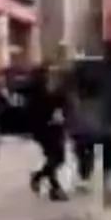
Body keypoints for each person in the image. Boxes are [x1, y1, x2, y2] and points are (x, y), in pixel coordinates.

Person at [28, 61, 71, 201]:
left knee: (57, 158)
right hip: (45, 127)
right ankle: (54, 188)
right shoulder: (38, 90)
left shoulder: (52, 88)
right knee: (55, 157)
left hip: (54, 127)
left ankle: (39, 177)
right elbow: (40, 108)